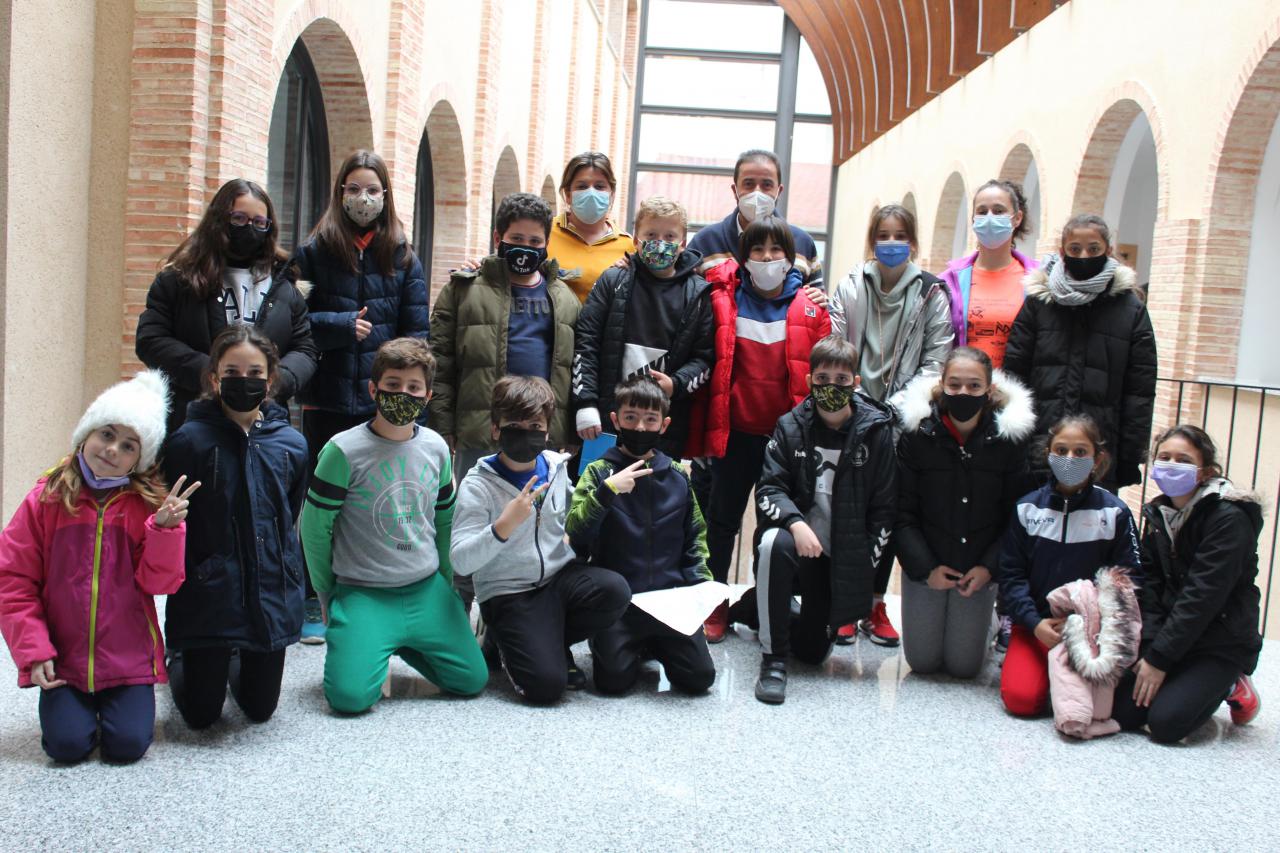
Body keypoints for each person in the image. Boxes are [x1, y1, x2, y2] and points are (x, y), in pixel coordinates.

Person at [0, 371, 196, 763]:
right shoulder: (46, 500)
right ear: (86, 434)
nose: (112, 450)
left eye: (128, 445)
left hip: (128, 660)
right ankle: (77, 711)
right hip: (64, 660)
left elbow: (160, 583)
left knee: (128, 746)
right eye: (106, 434)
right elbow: (13, 579)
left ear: (138, 460)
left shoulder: (144, 507)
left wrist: (164, 531)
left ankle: (118, 705)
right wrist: (35, 651)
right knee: (66, 747)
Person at [300, 337, 486, 713]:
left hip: (425, 588)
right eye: (393, 384)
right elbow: (314, 529)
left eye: (414, 387)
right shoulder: (342, 451)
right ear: (374, 390)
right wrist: (326, 593)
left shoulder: (436, 447)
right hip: (363, 592)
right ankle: (372, 641)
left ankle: (395, 642)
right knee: (350, 699)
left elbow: (444, 520)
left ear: (427, 396)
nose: (403, 393)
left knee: (471, 680)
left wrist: (447, 584)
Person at [293, 149, 428, 645]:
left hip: (381, 405)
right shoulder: (313, 253)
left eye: (372, 189)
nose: (363, 198)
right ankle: (313, 597)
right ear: (340, 193)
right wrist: (339, 325)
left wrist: (406, 392)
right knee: (320, 503)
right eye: (353, 189)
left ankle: (374, 593)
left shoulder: (404, 256)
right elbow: (291, 321)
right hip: (326, 399)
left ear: (386, 195)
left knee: (376, 503)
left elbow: (417, 334)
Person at [430, 192, 580, 612]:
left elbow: (572, 368)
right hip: (480, 427)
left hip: (540, 435)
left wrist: (565, 431)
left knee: (537, 528)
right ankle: (458, 617)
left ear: (546, 244)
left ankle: (519, 621)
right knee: (472, 526)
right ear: (498, 238)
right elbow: (441, 362)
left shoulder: (564, 296)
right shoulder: (464, 289)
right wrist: (443, 426)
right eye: (517, 239)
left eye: (535, 241)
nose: (525, 248)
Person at [685, 215, 829, 642]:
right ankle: (715, 604)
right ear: (743, 257)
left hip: (785, 443)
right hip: (735, 435)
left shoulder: (811, 308)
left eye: (776, 251)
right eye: (758, 251)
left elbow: (823, 375)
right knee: (721, 522)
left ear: (791, 258)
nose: (767, 259)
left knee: (775, 529)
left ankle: (768, 602)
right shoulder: (722, 299)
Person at [161, 326, 309, 728]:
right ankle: (181, 655)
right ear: (214, 378)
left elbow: (288, 510)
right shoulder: (188, 441)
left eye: (255, 372)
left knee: (260, 710)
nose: (244, 381)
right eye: (232, 372)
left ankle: (234, 650)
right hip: (209, 592)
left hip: (270, 588)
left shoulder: (291, 444)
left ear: (270, 379)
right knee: (201, 716)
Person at [450, 376, 630, 704]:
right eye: (514, 425)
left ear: (547, 431)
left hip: (556, 581)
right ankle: (501, 638)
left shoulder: (556, 467)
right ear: (495, 429)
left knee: (615, 590)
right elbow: (460, 561)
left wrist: (606, 492)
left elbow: (573, 516)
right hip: (508, 593)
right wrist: (502, 527)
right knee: (545, 688)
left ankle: (548, 641)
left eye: (535, 425)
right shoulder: (477, 485)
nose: (526, 432)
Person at [741, 336, 897, 704]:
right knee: (772, 542)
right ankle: (772, 661)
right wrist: (796, 524)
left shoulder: (877, 433)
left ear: (855, 383)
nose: (831, 387)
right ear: (810, 380)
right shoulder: (789, 425)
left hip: (836, 556)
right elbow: (769, 490)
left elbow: (885, 508)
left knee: (812, 654)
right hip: (794, 546)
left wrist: (862, 565)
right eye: (823, 379)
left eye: (841, 380)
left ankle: (756, 607)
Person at [828, 202, 955, 646]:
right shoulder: (850, 286)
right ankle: (844, 604)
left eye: (900, 235)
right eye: (883, 235)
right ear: (872, 240)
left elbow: (936, 361)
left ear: (913, 242)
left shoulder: (931, 294)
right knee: (848, 512)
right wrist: (859, 405)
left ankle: (875, 603)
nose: (892, 243)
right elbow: (835, 346)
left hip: (904, 424)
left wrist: (893, 410)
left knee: (888, 515)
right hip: (851, 417)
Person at [1112, 425, 1263, 743]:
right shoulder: (1160, 514)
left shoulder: (1229, 519)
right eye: (1164, 457)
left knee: (1166, 724)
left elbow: (1202, 598)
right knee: (1122, 713)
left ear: (1205, 472)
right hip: (1175, 635)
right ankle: (1182, 676)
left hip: (1220, 640)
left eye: (1183, 460)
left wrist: (1159, 661)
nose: (1171, 465)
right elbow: (1149, 588)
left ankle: (1233, 683)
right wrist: (1150, 650)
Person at [566, 376, 716, 696]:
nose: (640, 427)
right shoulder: (598, 471)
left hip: (669, 601)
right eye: (631, 417)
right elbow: (575, 533)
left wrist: (699, 595)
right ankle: (612, 641)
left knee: (699, 678)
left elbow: (695, 537)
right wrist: (607, 492)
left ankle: (655, 644)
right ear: (615, 420)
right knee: (613, 683)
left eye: (650, 419)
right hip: (620, 604)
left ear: (664, 425)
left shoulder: (677, 476)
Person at [136, 178, 318, 436]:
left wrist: (274, 380)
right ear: (219, 219)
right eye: (239, 219)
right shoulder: (179, 280)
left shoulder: (284, 286)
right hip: (193, 420)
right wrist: (211, 373)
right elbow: (151, 339)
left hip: (265, 423)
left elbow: (305, 348)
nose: (250, 228)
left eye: (259, 222)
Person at [895, 347, 1035, 679]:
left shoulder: (1009, 440)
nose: (963, 393)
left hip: (978, 566)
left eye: (974, 386)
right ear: (941, 385)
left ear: (990, 390)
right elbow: (900, 511)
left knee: (964, 667)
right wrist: (925, 568)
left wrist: (988, 568)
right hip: (928, 563)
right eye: (954, 384)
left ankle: (989, 620)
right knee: (923, 662)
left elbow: (1017, 516)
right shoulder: (917, 434)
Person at [998, 414, 1141, 717]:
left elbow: (1127, 580)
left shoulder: (1115, 513)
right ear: (1048, 454)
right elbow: (1011, 575)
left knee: (1100, 708)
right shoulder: (1026, 508)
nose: (1070, 458)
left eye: (1080, 452)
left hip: (1091, 632)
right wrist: (1034, 623)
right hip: (1035, 627)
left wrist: (1088, 621)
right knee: (1021, 700)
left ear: (1097, 458)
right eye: (1061, 450)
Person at [1003, 213, 1157, 492]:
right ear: (1062, 252)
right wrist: (1014, 439)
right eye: (1075, 249)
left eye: (1093, 249)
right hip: (1040, 444)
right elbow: (1015, 374)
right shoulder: (1039, 304)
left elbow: (1140, 391)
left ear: (1108, 250)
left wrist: (1130, 454)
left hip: (1100, 449)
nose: (1084, 256)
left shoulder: (1130, 309)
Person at [572, 195, 714, 457]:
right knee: (597, 481)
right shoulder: (613, 280)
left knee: (656, 483)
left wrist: (676, 384)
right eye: (651, 234)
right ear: (636, 240)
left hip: (664, 428)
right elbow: (586, 342)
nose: (660, 242)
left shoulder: (698, 294)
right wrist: (586, 402)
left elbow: (705, 358)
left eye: (670, 236)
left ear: (682, 244)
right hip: (605, 420)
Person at [686, 149, 823, 290]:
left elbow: (817, 297)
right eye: (748, 184)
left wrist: (818, 297)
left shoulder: (802, 243)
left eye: (767, 185)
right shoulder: (704, 242)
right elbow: (684, 295)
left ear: (779, 191)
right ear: (735, 191)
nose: (757, 192)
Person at [938, 179, 1039, 369]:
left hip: (1019, 384)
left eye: (999, 211)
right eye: (982, 212)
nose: (990, 217)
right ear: (973, 220)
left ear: (1017, 218)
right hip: (964, 384)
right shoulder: (949, 281)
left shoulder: (1038, 280)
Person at [548, 151, 636, 303]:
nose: (591, 193)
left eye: (599, 186)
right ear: (568, 194)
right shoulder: (545, 233)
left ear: (611, 194)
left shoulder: (628, 247)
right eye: (582, 186)